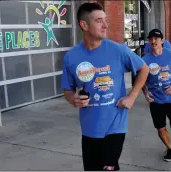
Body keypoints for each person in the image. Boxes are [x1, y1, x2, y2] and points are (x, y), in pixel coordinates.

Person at [61, 2, 149, 170]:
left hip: (115, 125)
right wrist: (74, 99)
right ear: (84, 25)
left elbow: (143, 68)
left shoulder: (118, 50)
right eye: (99, 21)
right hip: (89, 127)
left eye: (105, 20)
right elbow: (67, 89)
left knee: (108, 167)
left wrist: (132, 96)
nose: (105, 25)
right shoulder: (71, 57)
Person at [142, 29, 171, 162]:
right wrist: (145, 92)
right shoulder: (145, 60)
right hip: (156, 101)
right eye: (151, 39)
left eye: (156, 38)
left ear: (162, 41)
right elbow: (140, 79)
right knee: (160, 129)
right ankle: (170, 149)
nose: (153, 41)